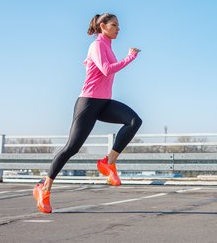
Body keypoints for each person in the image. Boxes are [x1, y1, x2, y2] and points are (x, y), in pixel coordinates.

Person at [33, 13, 142, 213]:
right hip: (88, 103)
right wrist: (130, 57)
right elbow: (107, 69)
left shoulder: (107, 46)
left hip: (104, 102)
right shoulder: (97, 45)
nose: (119, 28)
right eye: (114, 25)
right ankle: (44, 187)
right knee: (71, 148)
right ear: (102, 26)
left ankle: (107, 163)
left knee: (134, 121)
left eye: (119, 25)